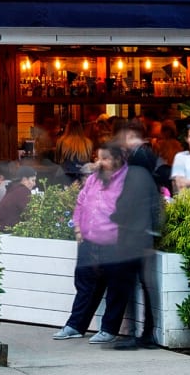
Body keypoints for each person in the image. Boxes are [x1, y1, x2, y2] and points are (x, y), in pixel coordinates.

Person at [54, 143, 127, 342]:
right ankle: (75, 325)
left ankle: (109, 329)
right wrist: (78, 228)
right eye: (99, 157)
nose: (99, 162)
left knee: (115, 286)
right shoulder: (94, 179)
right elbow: (81, 202)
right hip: (89, 239)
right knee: (85, 282)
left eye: (105, 158)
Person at [109, 141, 163, 351]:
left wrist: (114, 216)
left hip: (130, 239)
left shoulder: (131, 176)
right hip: (146, 239)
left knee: (129, 287)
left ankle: (131, 334)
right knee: (148, 287)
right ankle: (149, 333)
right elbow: (156, 208)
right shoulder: (151, 179)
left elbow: (124, 206)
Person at [0, 161, 37, 231]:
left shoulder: (13, 189)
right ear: (24, 179)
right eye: (33, 180)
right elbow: (32, 214)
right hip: (10, 232)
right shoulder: (23, 191)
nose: (34, 184)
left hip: (2, 229)